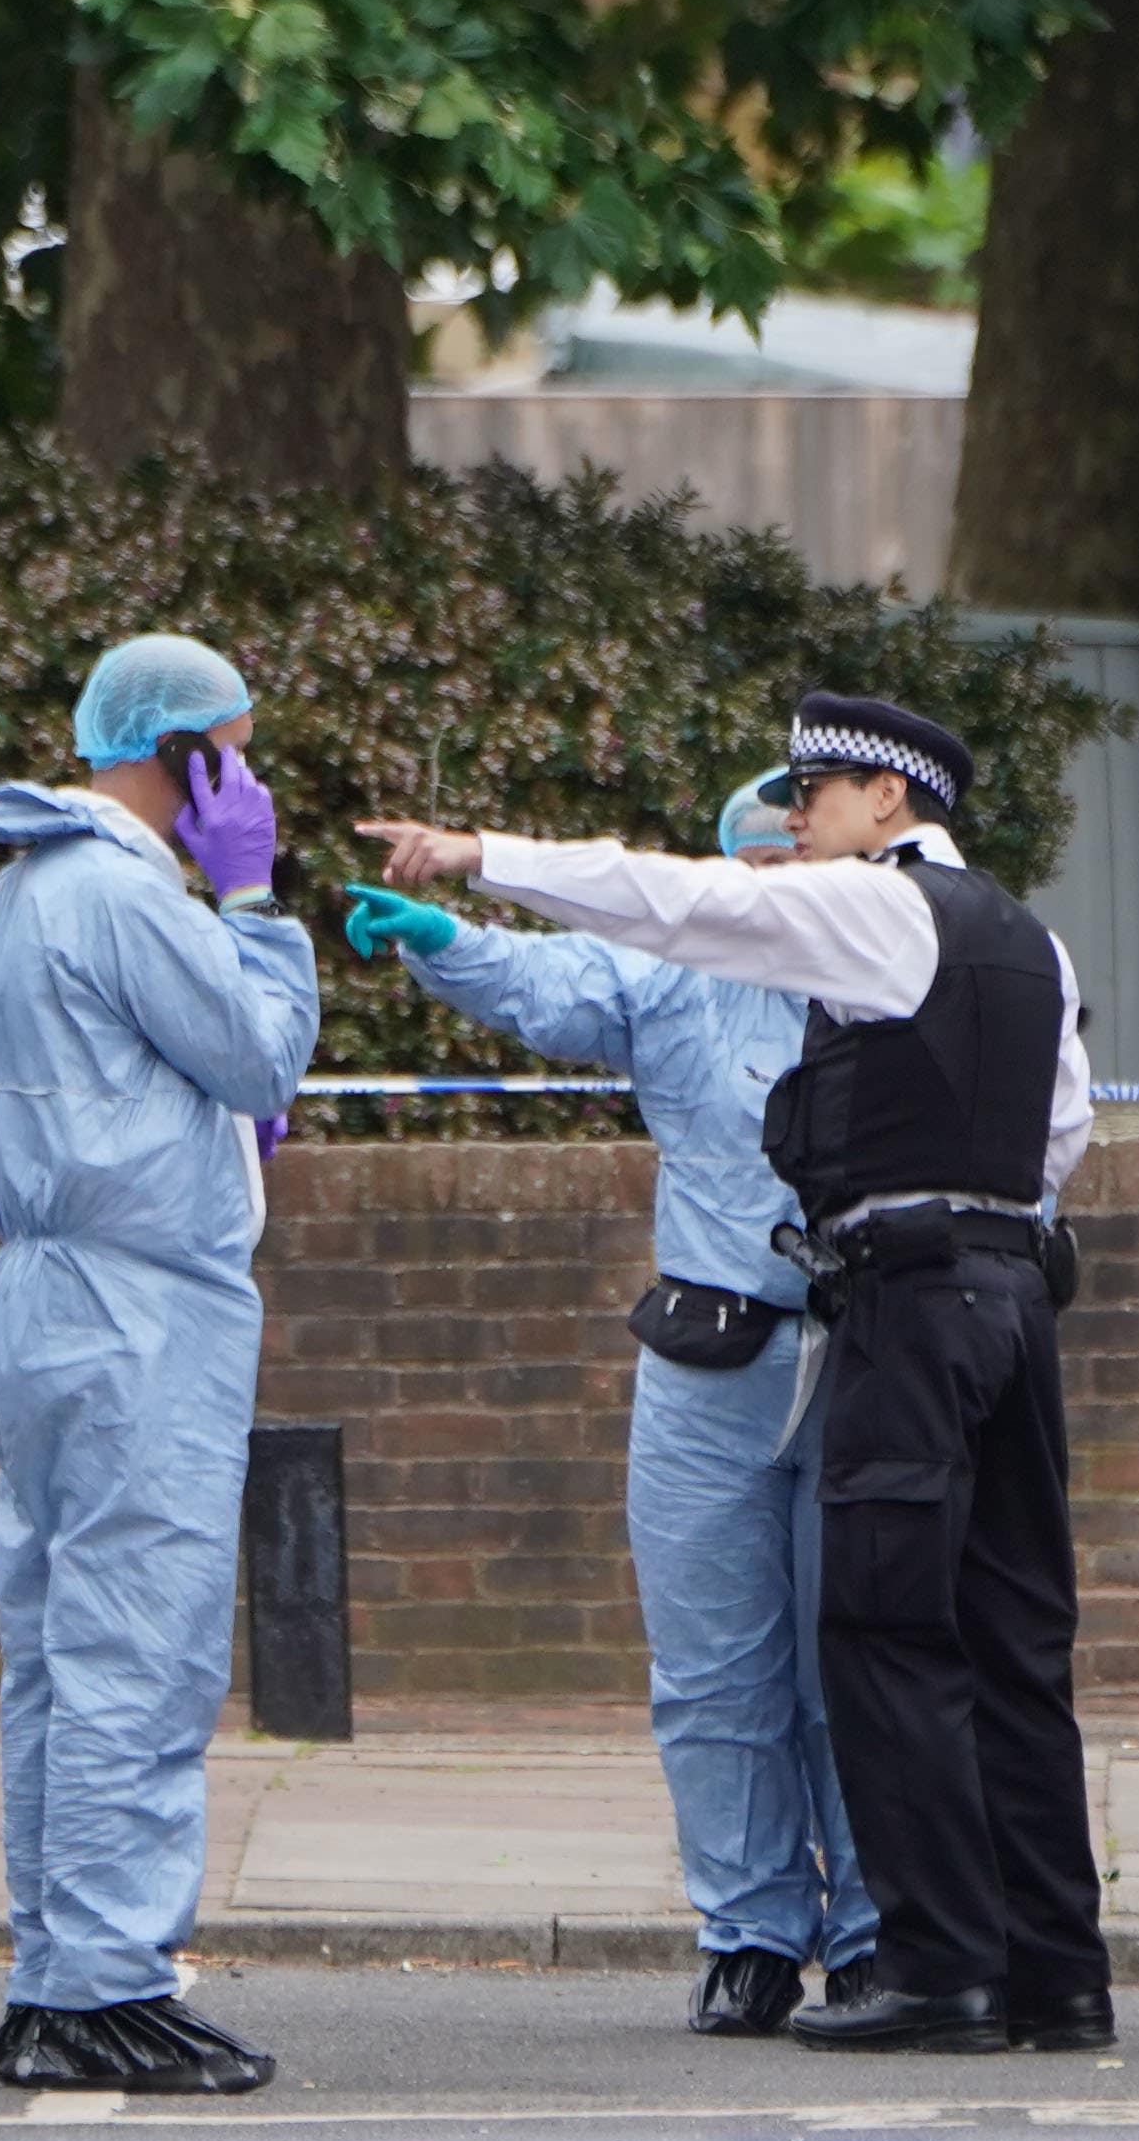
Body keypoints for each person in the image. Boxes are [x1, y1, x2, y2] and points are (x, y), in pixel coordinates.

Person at [361, 695, 1110, 2057]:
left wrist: (479, 850)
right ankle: (945, 1957)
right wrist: (457, 946)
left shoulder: (876, 918)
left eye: (813, 799)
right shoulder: (1018, 935)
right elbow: (1060, 1129)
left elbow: (665, 899)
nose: (790, 833)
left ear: (886, 804)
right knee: (925, 1653)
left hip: (892, 1320)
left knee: (879, 1651)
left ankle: (917, 1952)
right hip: (911, 1316)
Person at [340, 768, 882, 2037]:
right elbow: (553, 983)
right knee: (711, 1669)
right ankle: (749, 1932)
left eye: (785, 870)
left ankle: (872, 1930)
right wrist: (448, 943)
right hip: (712, 1357)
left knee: (855, 1662)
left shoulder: (880, 975)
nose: (765, 895)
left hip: (864, 1355)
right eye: (744, 872)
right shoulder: (672, 972)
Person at [0, 632, 318, 2093]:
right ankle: (106, 1983)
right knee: (137, 1651)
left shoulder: (26, 890)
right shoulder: (125, 890)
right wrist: (254, 900)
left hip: (47, 1293)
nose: (252, 780)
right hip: (137, 1305)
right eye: (234, 749)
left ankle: (60, 1974)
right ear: (186, 760)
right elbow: (265, 1051)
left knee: (58, 1650)